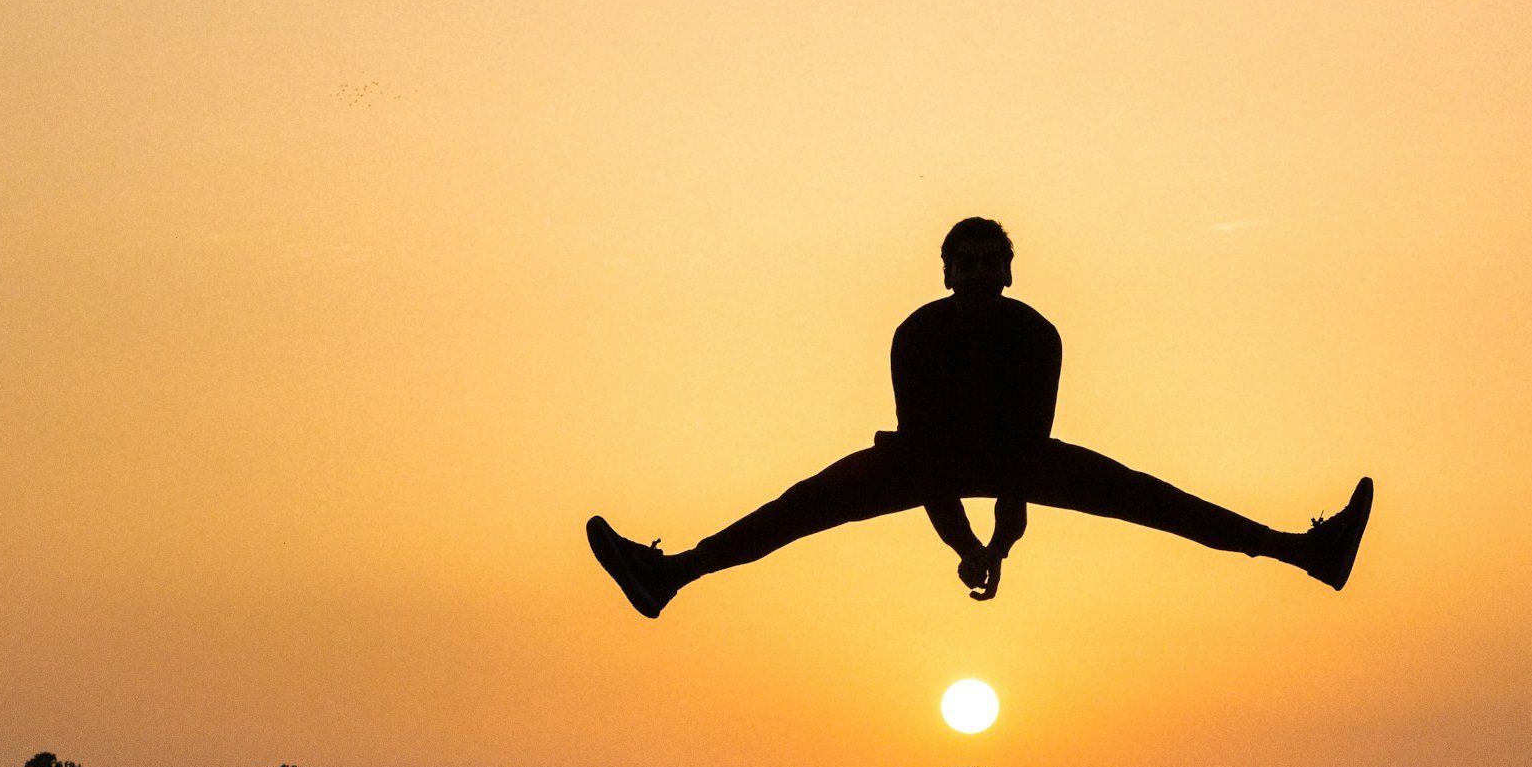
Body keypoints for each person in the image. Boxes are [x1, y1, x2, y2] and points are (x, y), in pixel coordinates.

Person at [587, 217, 1371, 616]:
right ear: (945, 270)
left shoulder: (1038, 334)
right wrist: (968, 545)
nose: (976, 271)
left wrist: (998, 538)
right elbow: (928, 463)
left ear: (1007, 269)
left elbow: (1025, 458)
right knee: (799, 507)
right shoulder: (916, 333)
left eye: (989, 260)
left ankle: (1308, 552)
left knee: (1156, 500)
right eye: (963, 261)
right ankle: (669, 575)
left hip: (1016, 460)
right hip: (920, 460)